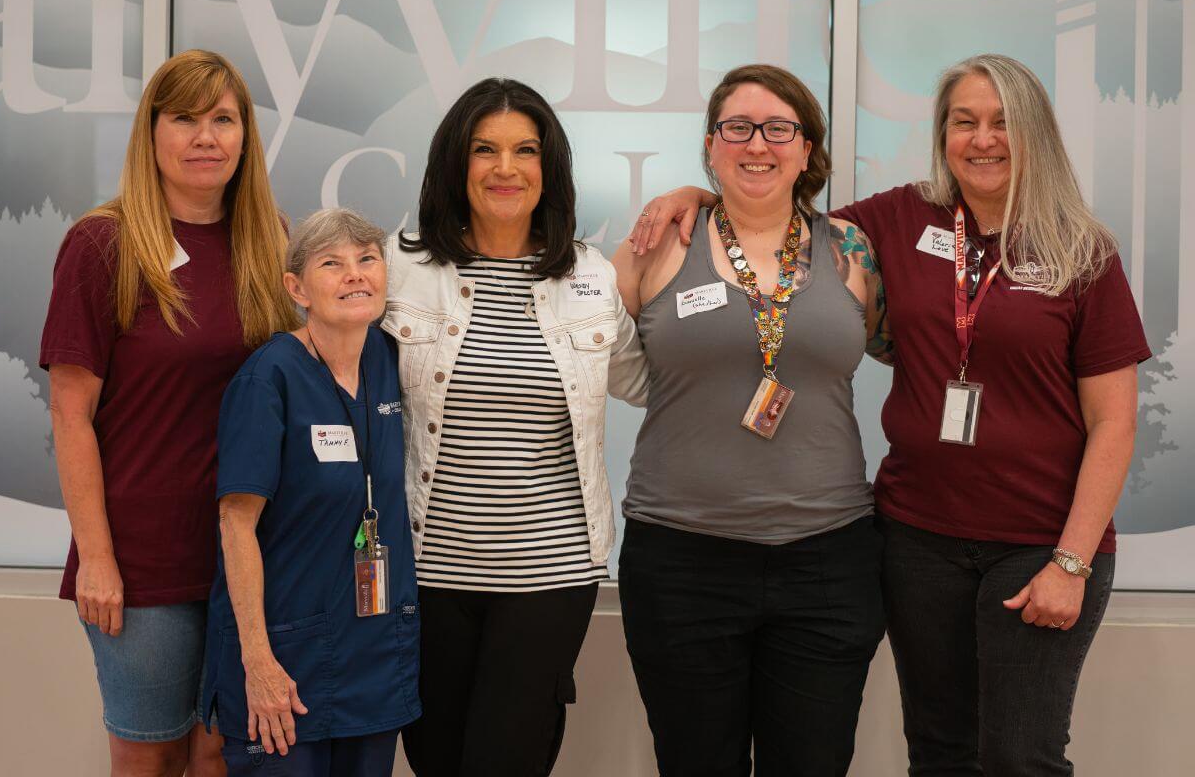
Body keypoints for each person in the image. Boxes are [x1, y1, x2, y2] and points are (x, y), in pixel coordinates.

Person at [636, 53, 1150, 777]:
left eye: (1002, 122)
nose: (982, 139)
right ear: (942, 135)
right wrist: (699, 191)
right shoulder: (897, 219)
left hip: (1038, 540)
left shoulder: (1082, 251)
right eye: (963, 121)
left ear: (1035, 131)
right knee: (938, 752)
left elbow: (1115, 423)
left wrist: (1072, 562)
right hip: (918, 537)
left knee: (1020, 757)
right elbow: (771, 212)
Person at [610, 64, 891, 777]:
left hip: (827, 560)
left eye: (778, 129)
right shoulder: (657, 244)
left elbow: (906, 349)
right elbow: (585, 351)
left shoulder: (851, 251)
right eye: (737, 128)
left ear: (807, 148)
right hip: (681, 559)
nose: (757, 144)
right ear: (711, 144)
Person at [40, 49, 295, 777]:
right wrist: (97, 558)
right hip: (142, 562)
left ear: (245, 135)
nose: (206, 137)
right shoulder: (103, 244)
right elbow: (70, 415)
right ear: (150, 132)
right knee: (150, 758)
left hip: (249, 556)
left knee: (223, 756)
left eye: (224, 119)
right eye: (184, 118)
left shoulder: (270, 240)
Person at [383, 77, 648, 777]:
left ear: (548, 167)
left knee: (509, 759)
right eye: (485, 149)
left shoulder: (589, 277)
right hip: (426, 571)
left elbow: (651, 383)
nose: (506, 168)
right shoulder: (400, 267)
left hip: (550, 574)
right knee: (436, 758)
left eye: (525, 150)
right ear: (455, 163)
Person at [204, 208, 419, 776]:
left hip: (375, 655)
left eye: (367, 259)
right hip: (285, 658)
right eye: (332, 263)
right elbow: (235, 524)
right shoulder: (268, 378)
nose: (355, 274)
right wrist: (257, 662)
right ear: (296, 288)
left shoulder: (391, 360)